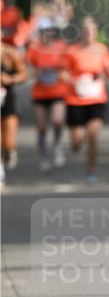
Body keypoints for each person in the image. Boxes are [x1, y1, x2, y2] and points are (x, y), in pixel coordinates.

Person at [62, 16, 109, 184]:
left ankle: (90, 170)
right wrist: (74, 80)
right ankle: (77, 141)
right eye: (85, 31)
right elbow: (62, 72)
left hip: (96, 98)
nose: (88, 34)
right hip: (75, 99)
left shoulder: (102, 50)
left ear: (96, 33)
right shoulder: (72, 50)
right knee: (76, 141)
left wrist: (105, 72)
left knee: (93, 135)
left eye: (91, 31)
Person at [25, 17, 68, 171]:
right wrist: (36, 72)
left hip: (58, 91)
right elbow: (28, 69)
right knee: (42, 127)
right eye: (43, 31)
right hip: (40, 93)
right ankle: (43, 157)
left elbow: (68, 68)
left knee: (57, 120)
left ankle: (57, 144)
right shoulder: (34, 48)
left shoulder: (61, 47)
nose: (46, 34)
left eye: (48, 31)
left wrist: (59, 72)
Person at [1, 41, 28, 181]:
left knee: (8, 140)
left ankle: (10, 151)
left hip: (7, 100)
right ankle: (0, 173)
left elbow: (24, 74)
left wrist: (10, 79)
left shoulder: (9, 53)